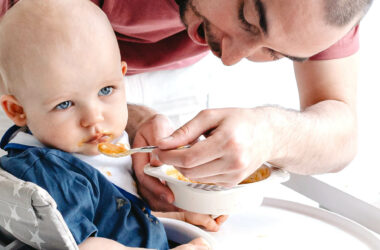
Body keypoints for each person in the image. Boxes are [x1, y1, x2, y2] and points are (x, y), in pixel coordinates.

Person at [0, 0, 373, 213]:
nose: (230, 58)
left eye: (274, 52)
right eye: (246, 17)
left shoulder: (314, 9)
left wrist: (269, 132)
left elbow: (341, 129)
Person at [0, 0, 226, 249]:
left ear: (122, 75)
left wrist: (178, 219)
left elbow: (116, 221)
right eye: (64, 104)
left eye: (106, 90)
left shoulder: (90, 151)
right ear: (18, 110)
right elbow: (87, 246)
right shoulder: (50, 174)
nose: (94, 118)